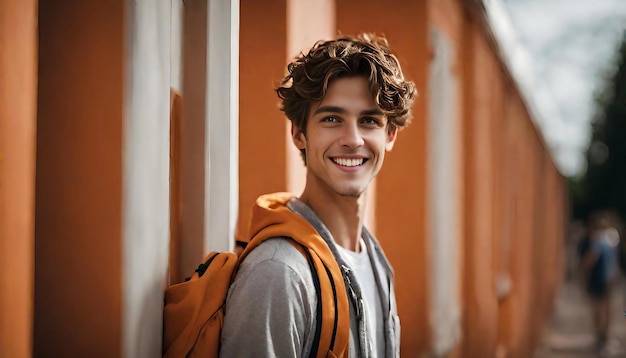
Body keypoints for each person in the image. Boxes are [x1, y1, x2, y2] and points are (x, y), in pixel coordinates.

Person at [219, 34, 416, 357]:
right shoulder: (278, 273)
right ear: (299, 133)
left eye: (368, 120)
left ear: (390, 134)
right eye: (332, 119)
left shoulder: (377, 264)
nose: (352, 140)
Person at [578, 214, 621, 353]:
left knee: (603, 310)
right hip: (603, 280)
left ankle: (602, 338)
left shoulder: (603, 242)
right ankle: (602, 337)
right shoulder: (603, 242)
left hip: (603, 281)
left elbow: (593, 260)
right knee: (603, 310)